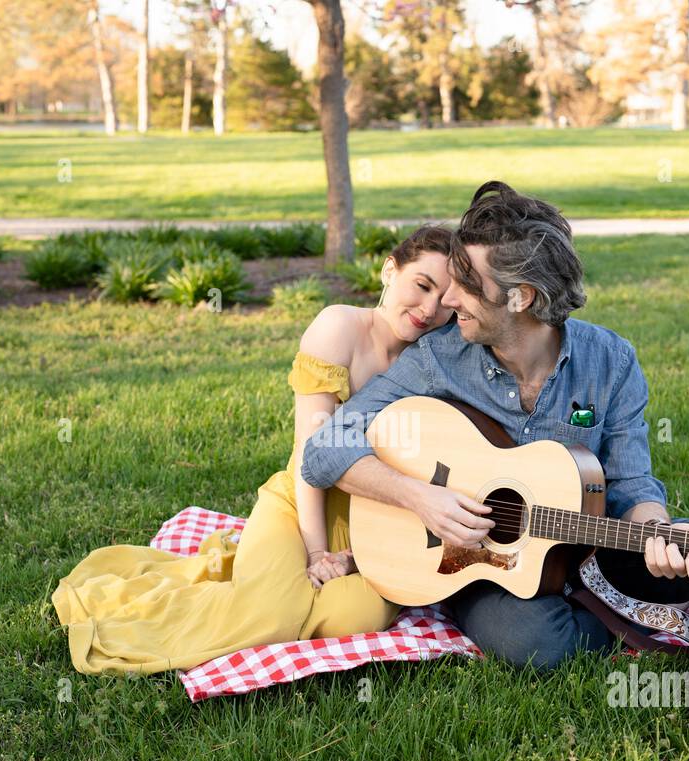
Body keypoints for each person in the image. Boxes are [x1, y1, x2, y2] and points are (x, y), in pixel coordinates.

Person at [300, 182, 689, 761]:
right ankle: (633, 619)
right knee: (536, 645)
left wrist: (655, 533)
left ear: (521, 296)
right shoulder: (438, 358)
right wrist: (420, 497)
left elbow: (632, 485)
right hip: (480, 558)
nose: (448, 296)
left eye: (467, 282)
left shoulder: (610, 361)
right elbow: (322, 449)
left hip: (593, 539)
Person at [52, 225, 456, 675]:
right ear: (389, 270)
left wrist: (354, 557)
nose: (429, 309)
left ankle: (258, 578)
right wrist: (317, 551)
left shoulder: (436, 359)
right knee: (272, 613)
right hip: (303, 504)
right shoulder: (338, 327)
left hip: (378, 521)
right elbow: (310, 453)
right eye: (422, 285)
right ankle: (213, 594)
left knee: (355, 618)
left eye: (445, 299)